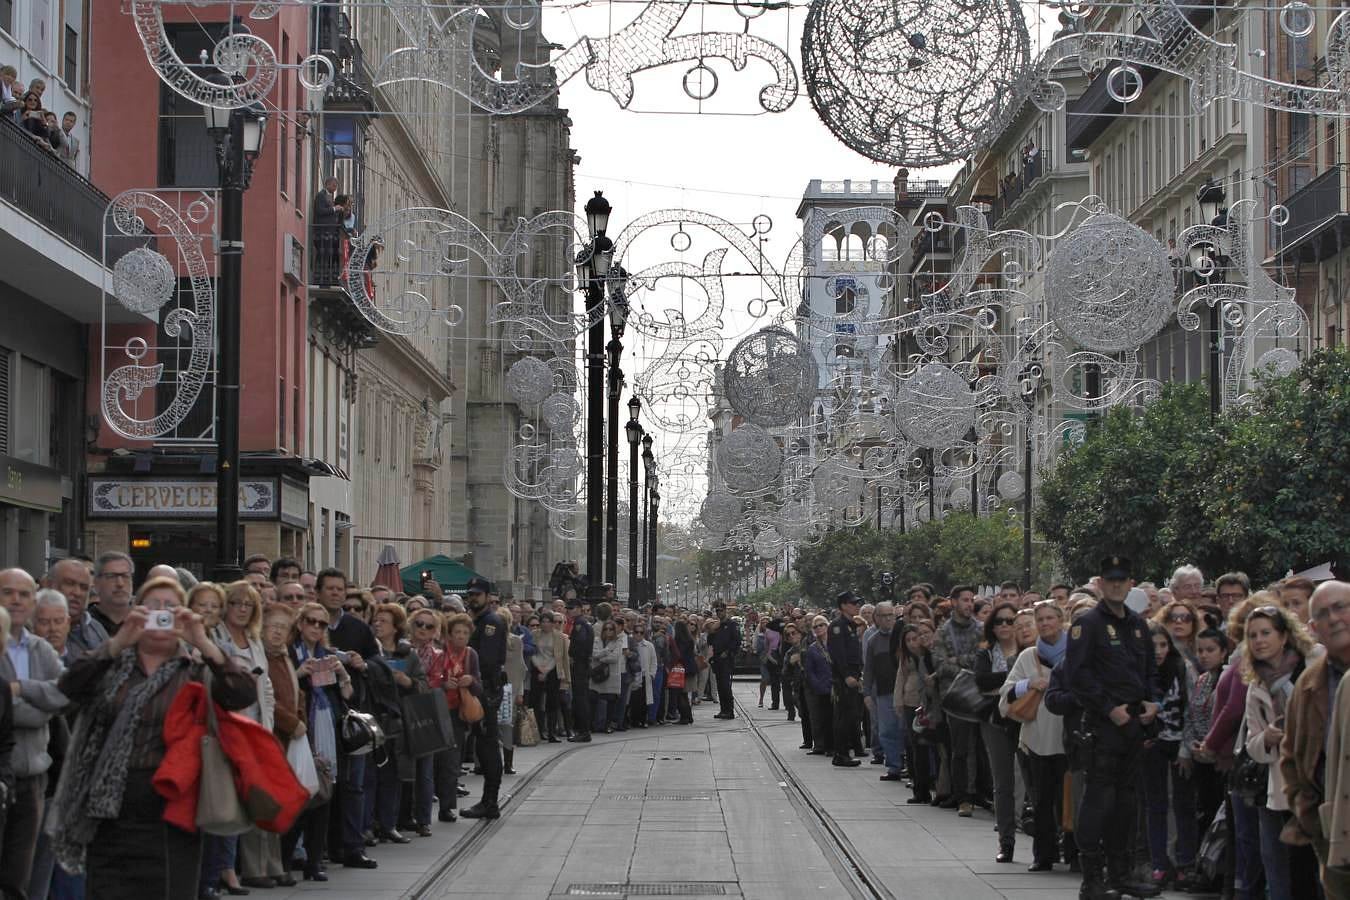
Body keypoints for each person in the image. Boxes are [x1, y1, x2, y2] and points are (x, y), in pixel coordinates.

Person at [49, 576, 256, 900]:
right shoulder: (113, 666)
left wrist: (203, 642)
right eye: (153, 607)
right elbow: (69, 687)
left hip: (173, 806)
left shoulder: (194, 670)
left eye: (171, 608)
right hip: (110, 807)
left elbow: (242, 692)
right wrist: (118, 642)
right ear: (137, 613)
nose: (162, 613)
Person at [1061, 556, 1160, 900]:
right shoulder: (1087, 624)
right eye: (1110, 580)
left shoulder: (1137, 625)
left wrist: (1152, 701)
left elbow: (1149, 670)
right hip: (1103, 726)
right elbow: (1077, 675)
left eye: (1122, 580)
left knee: (1126, 804)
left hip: (1133, 725)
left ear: (1130, 583)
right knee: (1098, 802)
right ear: (1101, 584)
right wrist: (1107, 708)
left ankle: (1121, 874)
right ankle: (1092, 879)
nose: (1117, 585)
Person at [1241, 603, 1319, 900]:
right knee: (1294, 865)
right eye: (1252, 635)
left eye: (1266, 633)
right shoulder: (1256, 685)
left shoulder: (1315, 664)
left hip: (1322, 778)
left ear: (1284, 636)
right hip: (1286, 785)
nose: (1259, 640)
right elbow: (1253, 745)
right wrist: (1269, 738)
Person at [1281, 580, 1350, 898]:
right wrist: (1307, 811)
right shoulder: (1307, 686)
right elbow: (1291, 753)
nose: (1334, 618)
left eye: (1341, 607)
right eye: (1323, 613)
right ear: (1312, 628)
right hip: (1334, 832)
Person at [206, 581, 274, 897]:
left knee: (242, 802)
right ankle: (224, 869)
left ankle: (227, 865)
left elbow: (267, 688)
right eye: (236, 603)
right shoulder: (214, 638)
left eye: (248, 604)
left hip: (253, 729)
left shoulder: (254, 640)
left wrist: (267, 726)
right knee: (224, 801)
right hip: (224, 729)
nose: (242, 609)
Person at [1, 569, 66, 899]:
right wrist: (39, 707)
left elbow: (64, 693)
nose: (16, 600)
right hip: (3, 773)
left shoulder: (41, 648)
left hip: (34, 779)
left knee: (19, 876)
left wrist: (21, 689)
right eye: (8, 592)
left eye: (24, 594)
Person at [314, 568, 379, 869]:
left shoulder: (357, 628)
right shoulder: (310, 625)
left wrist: (362, 664)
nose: (336, 594)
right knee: (325, 781)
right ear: (319, 592)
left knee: (353, 783)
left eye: (340, 589)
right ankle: (324, 846)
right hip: (319, 711)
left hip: (350, 715)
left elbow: (377, 666)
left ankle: (353, 846)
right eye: (330, 589)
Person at [288, 600, 353, 882]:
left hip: (327, 726)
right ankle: (289, 855)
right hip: (302, 727)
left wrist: (343, 674)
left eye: (322, 623)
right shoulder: (291, 653)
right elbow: (281, 687)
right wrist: (300, 672)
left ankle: (315, 859)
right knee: (300, 795)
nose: (316, 627)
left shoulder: (328, 654)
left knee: (324, 791)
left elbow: (348, 697)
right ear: (300, 624)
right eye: (311, 622)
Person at [1000, 600, 1067, 871]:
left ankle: (1074, 853)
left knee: (1071, 799)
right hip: (1037, 739)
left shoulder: (1077, 652)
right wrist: (1030, 684)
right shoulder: (1028, 656)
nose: (1045, 623)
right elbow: (1006, 695)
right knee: (1041, 800)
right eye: (1041, 619)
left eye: (1051, 618)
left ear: (1061, 620)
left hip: (1070, 738)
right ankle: (1044, 855)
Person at [1141, 621, 1198, 889]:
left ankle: (1186, 863)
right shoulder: (1139, 672)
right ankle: (1159, 864)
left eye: (1163, 645)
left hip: (1179, 743)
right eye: (1153, 646)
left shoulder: (1182, 669)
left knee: (1184, 805)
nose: (1159, 651)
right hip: (1152, 745)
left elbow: (1192, 710)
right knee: (1156, 805)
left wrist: (1187, 748)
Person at [370, 603, 426, 843]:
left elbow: (424, 687)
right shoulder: (370, 652)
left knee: (395, 775)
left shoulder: (408, 655)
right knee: (373, 776)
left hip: (400, 723)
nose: (378, 625)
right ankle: (371, 823)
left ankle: (389, 823)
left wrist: (407, 681)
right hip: (374, 720)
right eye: (376, 620)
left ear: (395, 628)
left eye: (383, 621)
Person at [973, 601, 1023, 863]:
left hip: (1027, 720)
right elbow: (981, 680)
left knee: (1033, 781)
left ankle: (1046, 843)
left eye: (1010, 620)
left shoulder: (1029, 650)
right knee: (1003, 782)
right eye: (999, 621)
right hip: (995, 721)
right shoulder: (986, 651)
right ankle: (1007, 841)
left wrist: (1002, 684)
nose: (1004, 625)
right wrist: (1015, 682)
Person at [257, 605, 301, 888]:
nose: (277, 632)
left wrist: (301, 720)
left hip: (286, 739)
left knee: (276, 806)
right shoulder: (261, 657)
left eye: (283, 628)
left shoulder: (284, 657)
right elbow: (268, 698)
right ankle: (258, 867)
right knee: (262, 805)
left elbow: (298, 694)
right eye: (272, 626)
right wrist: (291, 722)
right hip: (267, 737)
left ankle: (274, 864)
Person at [933, 584, 982, 816]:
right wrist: (964, 664)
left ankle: (978, 792)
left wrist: (958, 660)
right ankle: (963, 796)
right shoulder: (943, 631)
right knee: (961, 749)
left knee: (980, 748)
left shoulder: (981, 629)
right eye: (965, 600)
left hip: (980, 695)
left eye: (972, 600)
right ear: (953, 602)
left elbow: (981, 660)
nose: (969, 604)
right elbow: (940, 665)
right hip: (955, 699)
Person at [428, 612, 481, 822]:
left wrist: (471, 681)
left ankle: (446, 806)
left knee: (452, 761)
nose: (461, 636)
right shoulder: (439, 653)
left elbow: (479, 686)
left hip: (457, 712)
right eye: (457, 632)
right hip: (436, 710)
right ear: (448, 635)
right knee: (434, 760)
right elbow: (430, 680)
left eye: (465, 633)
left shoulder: (470, 655)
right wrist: (442, 685)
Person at [462, 577, 505, 819]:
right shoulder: (479, 621)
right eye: (471, 594)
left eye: (477, 594)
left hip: (485, 690)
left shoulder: (491, 623)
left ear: (487, 597)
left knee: (487, 746)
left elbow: (486, 661)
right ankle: (488, 801)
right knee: (483, 744)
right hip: (481, 689)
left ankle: (490, 801)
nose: (473, 598)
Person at [863, 602, 902, 782]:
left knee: (906, 730)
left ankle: (908, 765)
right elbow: (869, 669)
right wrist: (867, 693)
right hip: (884, 692)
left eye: (891, 615)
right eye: (884, 615)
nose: (888, 619)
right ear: (876, 618)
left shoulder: (902, 636)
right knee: (886, 730)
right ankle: (894, 766)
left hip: (903, 691)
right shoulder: (873, 641)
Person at [827, 591, 864, 768]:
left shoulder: (850, 625)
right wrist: (846, 675)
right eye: (852, 603)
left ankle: (844, 752)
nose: (856, 606)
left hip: (853, 674)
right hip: (844, 677)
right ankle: (840, 754)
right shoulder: (838, 626)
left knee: (851, 715)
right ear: (843, 606)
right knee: (844, 716)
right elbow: (838, 654)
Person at [45, 559, 104, 657]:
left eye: (84, 587)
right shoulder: (29, 628)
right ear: (49, 585)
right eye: (69, 584)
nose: (77, 593)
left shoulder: (97, 630)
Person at [530, 611, 567, 742]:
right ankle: (539, 731)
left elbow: (559, 656)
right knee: (536, 701)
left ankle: (552, 732)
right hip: (537, 669)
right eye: (543, 621)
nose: (546, 624)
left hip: (552, 671)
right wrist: (539, 668)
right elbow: (532, 652)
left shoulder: (559, 636)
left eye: (548, 621)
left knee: (553, 702)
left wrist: (546, 671)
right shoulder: (534, 634)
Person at [803, 615, 834, 755]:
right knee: (824, 718)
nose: (819, 628)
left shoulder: (836, 644)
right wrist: (819, 686)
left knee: (838, 718)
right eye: (815, 627)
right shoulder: (812, 649)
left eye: (822, 625)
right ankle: (827, 746)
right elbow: (810, 671)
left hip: (837, 687)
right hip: (822, 689)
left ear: (828, 626)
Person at [566, 596, 594, 741]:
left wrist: (573, 657)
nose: (568, 611)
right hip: (581, 664)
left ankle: (583, 731)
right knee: (580, 698)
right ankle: (582, 730)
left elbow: (581, 644)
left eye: (571, 608)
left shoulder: (580, 624)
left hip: (580, 664)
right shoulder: (583, 623)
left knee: (580, 698)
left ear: (578, 609)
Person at [90, 552, 135, 636]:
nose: (120, 583)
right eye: (111, 576)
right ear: (96, 583)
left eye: (125, 576)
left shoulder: (143, 621)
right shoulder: (85, 623)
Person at [708, 601, 740, 720]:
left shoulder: (731, 624)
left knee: (726, 686)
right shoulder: (717, 625)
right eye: (717, 611)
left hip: (726, 659)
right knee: (720, 686)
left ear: (725, 610)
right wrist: (712, 631)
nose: (719, 613)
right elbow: (710, 641)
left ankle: (729, 710)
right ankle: (723, 709)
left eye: (721, 610)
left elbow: (736, 641)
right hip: (716, 659)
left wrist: (727, 652)